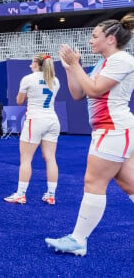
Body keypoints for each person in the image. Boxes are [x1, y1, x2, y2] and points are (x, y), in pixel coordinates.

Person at [46, 16, 134, 256]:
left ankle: (78, 239)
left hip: (113, 130)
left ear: (111, 39)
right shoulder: (105, 62)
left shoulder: (122, 60)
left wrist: (75, 65)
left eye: (95, 36)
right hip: (111, 130)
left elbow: (94, 90)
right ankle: (77, 239)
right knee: (129, 184)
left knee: (93, 183)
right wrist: (69, 68)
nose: (90, 40)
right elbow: (78, 94)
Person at [4, 54, 60, 205]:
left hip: (35, 120)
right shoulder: (55, 80)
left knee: (26, 159)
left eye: (32, 62)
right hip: (52, 120)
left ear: (37, 64)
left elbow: (19, 100)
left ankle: (21, 193)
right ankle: (51, 194)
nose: (30, 65)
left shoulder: (29, 79)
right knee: (50, 158)